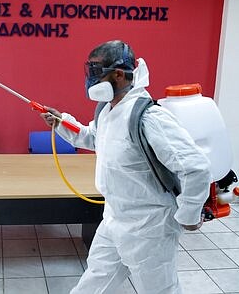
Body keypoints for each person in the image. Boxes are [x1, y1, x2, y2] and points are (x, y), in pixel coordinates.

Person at [41, 40, 211, 294]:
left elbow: (195, 167)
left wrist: (188, 215)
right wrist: (62, 123)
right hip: (115, 217)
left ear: (119, 74)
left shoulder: (148, 116)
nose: (91, 80)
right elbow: (93, 137)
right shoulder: (108, 111)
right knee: (96, 279)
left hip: (149, 225)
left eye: (96, 72)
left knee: (157, 289)